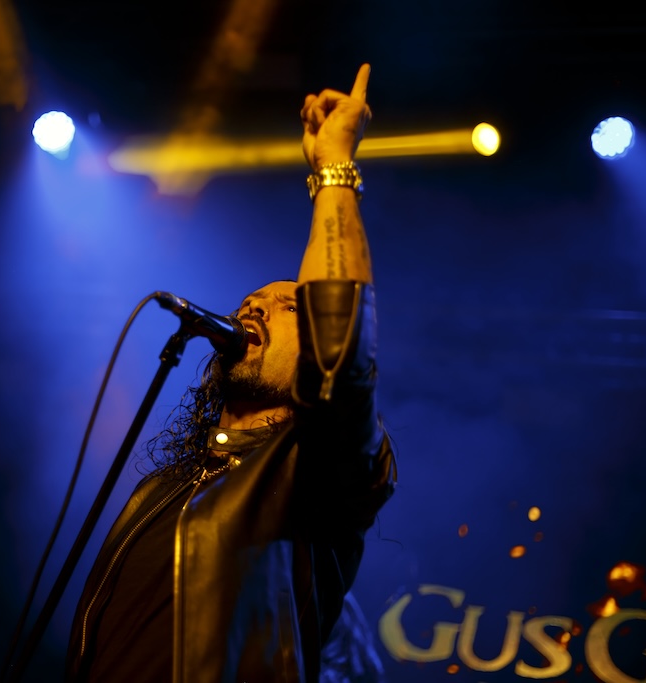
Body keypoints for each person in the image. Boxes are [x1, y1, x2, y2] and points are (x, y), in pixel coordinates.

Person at [64, 63, 397, 683]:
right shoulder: (162, 487)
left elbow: (340, 347)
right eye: (250, 301)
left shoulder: (318, 474)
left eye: (287, 305)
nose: (254, 308)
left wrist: (333, 168)